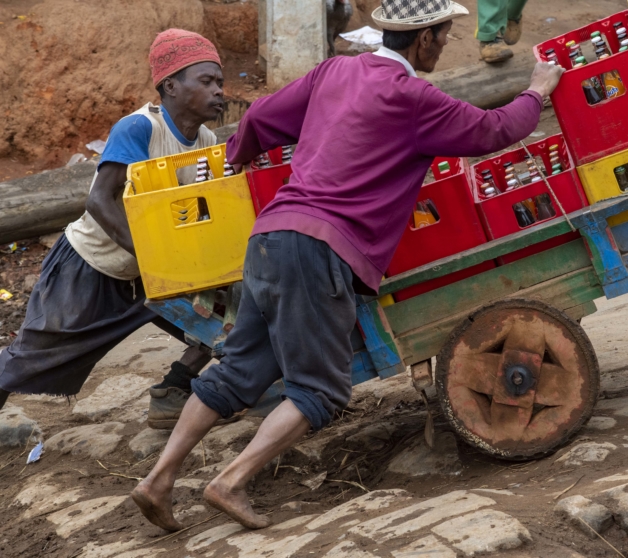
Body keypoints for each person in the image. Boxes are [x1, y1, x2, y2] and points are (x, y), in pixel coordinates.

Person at [131, 0, 563, 532]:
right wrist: (537, 89)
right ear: (424, 39)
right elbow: (494, 129)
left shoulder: (336, 70)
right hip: (320, 249)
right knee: (319, 390)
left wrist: (239, 154)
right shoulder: (414, 97)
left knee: (236, 373)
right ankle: (231, 481)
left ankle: (157, 481)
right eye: (445, 34)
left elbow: (260, 117)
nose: (445, 44)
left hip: (269, 236)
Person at [0, 29, 236, 430]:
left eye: (219, 82)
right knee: (28, 359)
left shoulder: (207, 140)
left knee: (224, 319)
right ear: (171, 86)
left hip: (148, 273)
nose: (218, 91)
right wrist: (156, 258)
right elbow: (99, 200)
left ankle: (173, 389)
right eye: (207, 81)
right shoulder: (140, 128)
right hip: (91, 266)